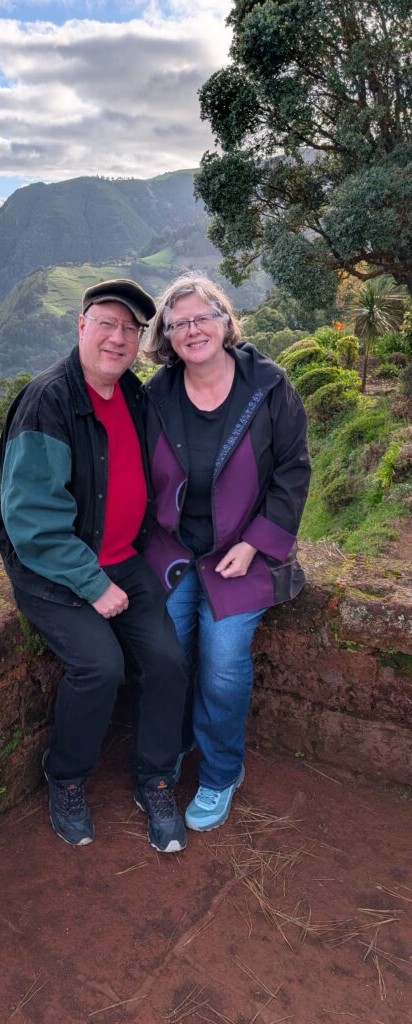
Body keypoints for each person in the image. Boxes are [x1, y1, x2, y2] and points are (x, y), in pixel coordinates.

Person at [0, 279, 188, 853]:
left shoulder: (132, 393)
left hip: (122, 557)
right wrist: (93, 583)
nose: (118, 338)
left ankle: (156, 778)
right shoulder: (49, 400)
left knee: (168, 662)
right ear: (81, 326)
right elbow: (32, 521)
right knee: (100, 668)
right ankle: (67, 777)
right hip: (54, 569)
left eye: (130, 329)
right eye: (106, 323)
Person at [142, 274, 311, 831]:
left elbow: (293, 471)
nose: (192, 330)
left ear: (224, 321)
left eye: (202, 317)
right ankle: (168, 752)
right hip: (173, 551)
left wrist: (255, 542)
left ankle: (220, 773)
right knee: (165, 656)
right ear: (167, 337)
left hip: (241, 554)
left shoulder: (269, 387)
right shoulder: (156, 397)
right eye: (179, 323)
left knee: (222, 662)